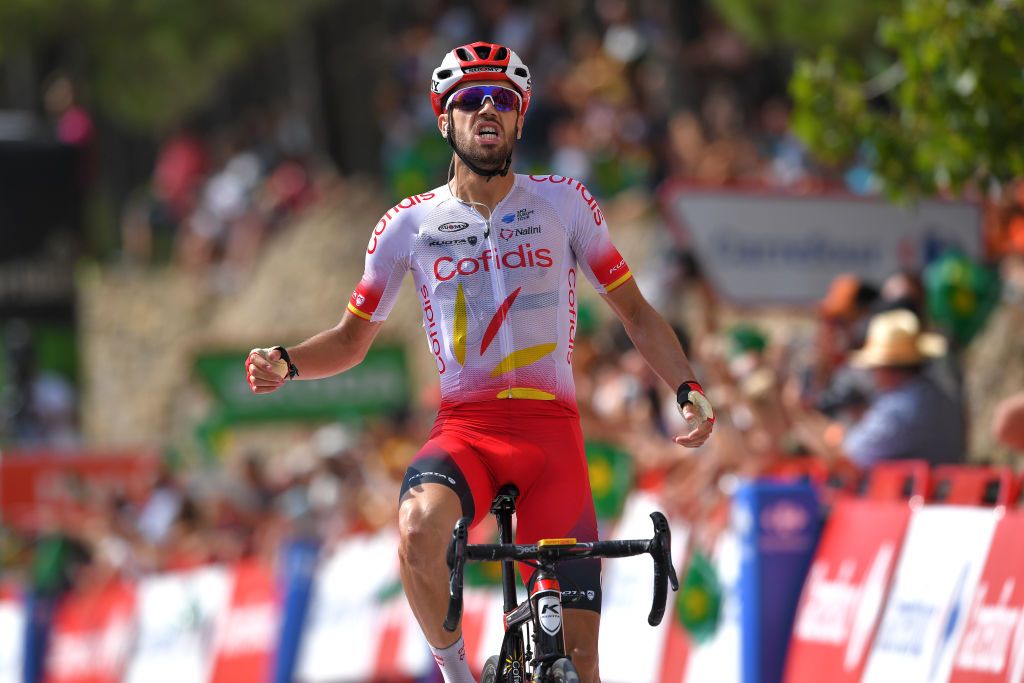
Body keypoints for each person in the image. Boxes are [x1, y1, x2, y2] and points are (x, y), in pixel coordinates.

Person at [245, 41, 713, 683]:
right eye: (469, 99)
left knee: (582, 670)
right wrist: (288, 362)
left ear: (521, 120)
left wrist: (686, 385)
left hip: (555, 439)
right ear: (445, 119)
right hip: (467, 431)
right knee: (416, 529)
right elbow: (350, 342)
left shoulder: (565, 203)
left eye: (504, 100)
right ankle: (456, 673)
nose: (486, 109)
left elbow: (636, 312)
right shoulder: (407, 226)